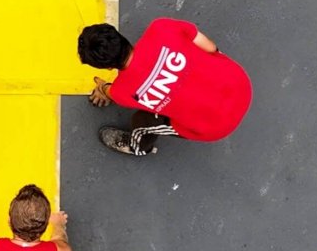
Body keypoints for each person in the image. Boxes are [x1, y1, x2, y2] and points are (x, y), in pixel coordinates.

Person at [77, 19, 253, 156]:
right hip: (239, 84)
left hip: (216, 125)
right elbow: (210, 47)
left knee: (142, 122)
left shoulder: (121, 92)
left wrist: (102, 90)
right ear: (119, 36)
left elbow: (109, 91)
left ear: (107, 67)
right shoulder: (161, 28)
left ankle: (138, 146)